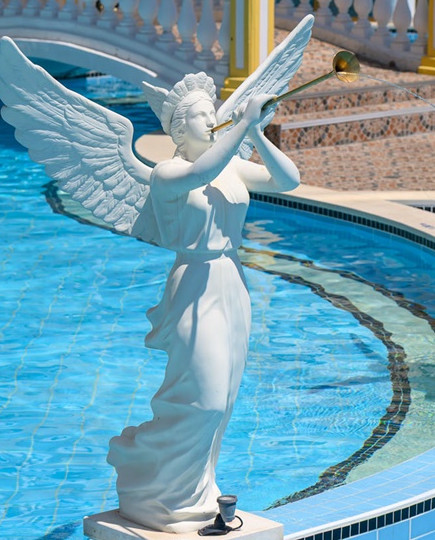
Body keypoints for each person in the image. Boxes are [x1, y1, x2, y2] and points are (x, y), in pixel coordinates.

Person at [108, 74, 300, 531]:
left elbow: (289, 180)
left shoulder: (230, 166)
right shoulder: (167, 173)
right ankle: (151, 486)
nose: (211, 119)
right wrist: (242, 124)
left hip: (232, 280)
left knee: (225, 400)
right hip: (195, 283)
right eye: (200, 114)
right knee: (203, 398)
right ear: (179, 129)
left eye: (213, 112)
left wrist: (256, 132)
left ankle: (198, 490)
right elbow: (201, 174)